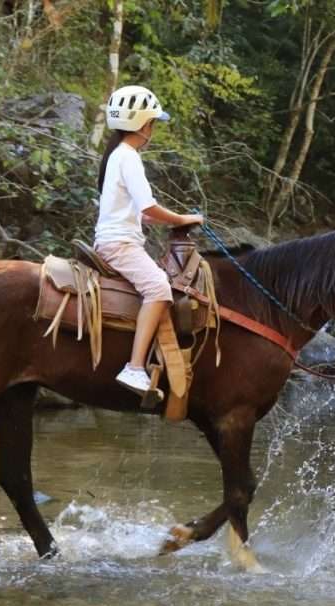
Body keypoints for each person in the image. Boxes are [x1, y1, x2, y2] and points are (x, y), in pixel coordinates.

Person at [94, 85, 203, 398]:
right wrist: (182, 219)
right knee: (158, 288)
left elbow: (142, 215)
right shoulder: (129, 158)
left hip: (114, 239)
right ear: (142, 125)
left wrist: (175, 218)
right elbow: (149, 207)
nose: (152, 130)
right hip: (119, 245)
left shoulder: (117, 155)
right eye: (152, 123)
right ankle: (134, 367)